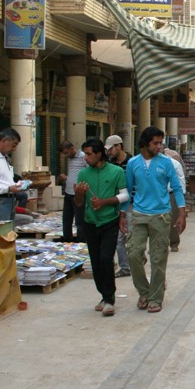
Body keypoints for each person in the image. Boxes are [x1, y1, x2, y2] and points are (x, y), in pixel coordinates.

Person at [121, 126, 187, 314]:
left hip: (162, 215)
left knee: (158, 258)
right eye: (155, 143)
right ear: (145, 143)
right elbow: (128, 190)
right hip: (139, 214)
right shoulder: (133, 163)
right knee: (134, 254)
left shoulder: (167, 163)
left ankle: (156, 297)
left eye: (160, 143)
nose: (159, 146)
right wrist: (123, 215)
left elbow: (176, 187)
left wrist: (181, 214)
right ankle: (144, 291)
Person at [74, 138, 128, 317]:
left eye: (89, 154)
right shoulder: (83, 175)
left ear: (99, 154)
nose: (86, 158)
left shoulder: (117, 171)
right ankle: (104, 295)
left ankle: (110, 298)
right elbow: (79, 203)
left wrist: (105, 202)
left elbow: (124, 196)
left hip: (109, 221)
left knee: (106, 258)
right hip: (90, 222)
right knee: (96, 261)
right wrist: (79, 195)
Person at [106, 135, 132, 278]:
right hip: (116, 204)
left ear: (119, 147)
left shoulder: (132, 162)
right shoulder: (111, 164)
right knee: (119, 239)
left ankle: (136, 259)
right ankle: (125, 267)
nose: (109, 152)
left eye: (111, 149)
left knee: (131, 237)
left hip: (131, 205)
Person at [58, 140, 87, 242]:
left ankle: (81, 241)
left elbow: (89, 172)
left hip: (78, 194)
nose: (66, 156)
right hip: (68, 192)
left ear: (72, 148)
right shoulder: (70, 159)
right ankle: (67, 240)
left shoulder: (83, 157)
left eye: (66, 153)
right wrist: (66, 178)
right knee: (66, 219)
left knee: (79, 221)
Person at [163, 145, 186, 253]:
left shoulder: (174, 163)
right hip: (157, 194)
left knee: (172, 219)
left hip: (172, 193)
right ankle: (158, 243)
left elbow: (181, 180)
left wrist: (181, 198)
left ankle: (174, 243)